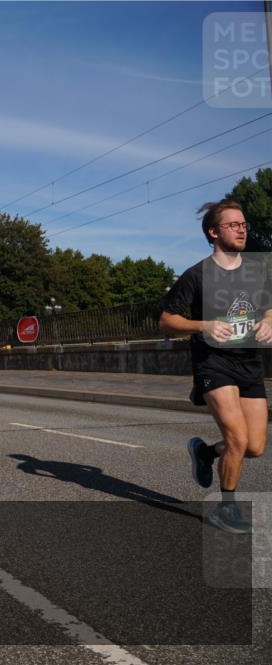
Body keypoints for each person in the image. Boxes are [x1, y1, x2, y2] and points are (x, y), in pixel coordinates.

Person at [159, 199, 271, 534]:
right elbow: (167, 320)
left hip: (249, 362)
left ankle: (207, 453)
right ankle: (227, 508)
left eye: (243, 224)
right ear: (213, 232)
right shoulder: (196, 275)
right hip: (213, 362)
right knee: (236, 438)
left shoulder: (256, 272)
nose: (242, 229)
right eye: (233, 225)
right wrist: (204, 326)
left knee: (254, 446)